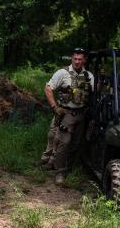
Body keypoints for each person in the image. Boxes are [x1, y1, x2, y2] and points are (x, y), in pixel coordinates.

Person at [40, 48, 95, 184]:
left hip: (82, 114)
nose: (77, 62)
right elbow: (48, 88)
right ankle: (59, 172)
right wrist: (55, 107)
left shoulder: (89, 76)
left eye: (80, 59)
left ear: (84, 60)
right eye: (75, 59)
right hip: (66, 113)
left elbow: (96, 92)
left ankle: (68, 168)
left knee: (76, 144)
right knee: (64, 143)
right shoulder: (62, 73)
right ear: (72, 58)